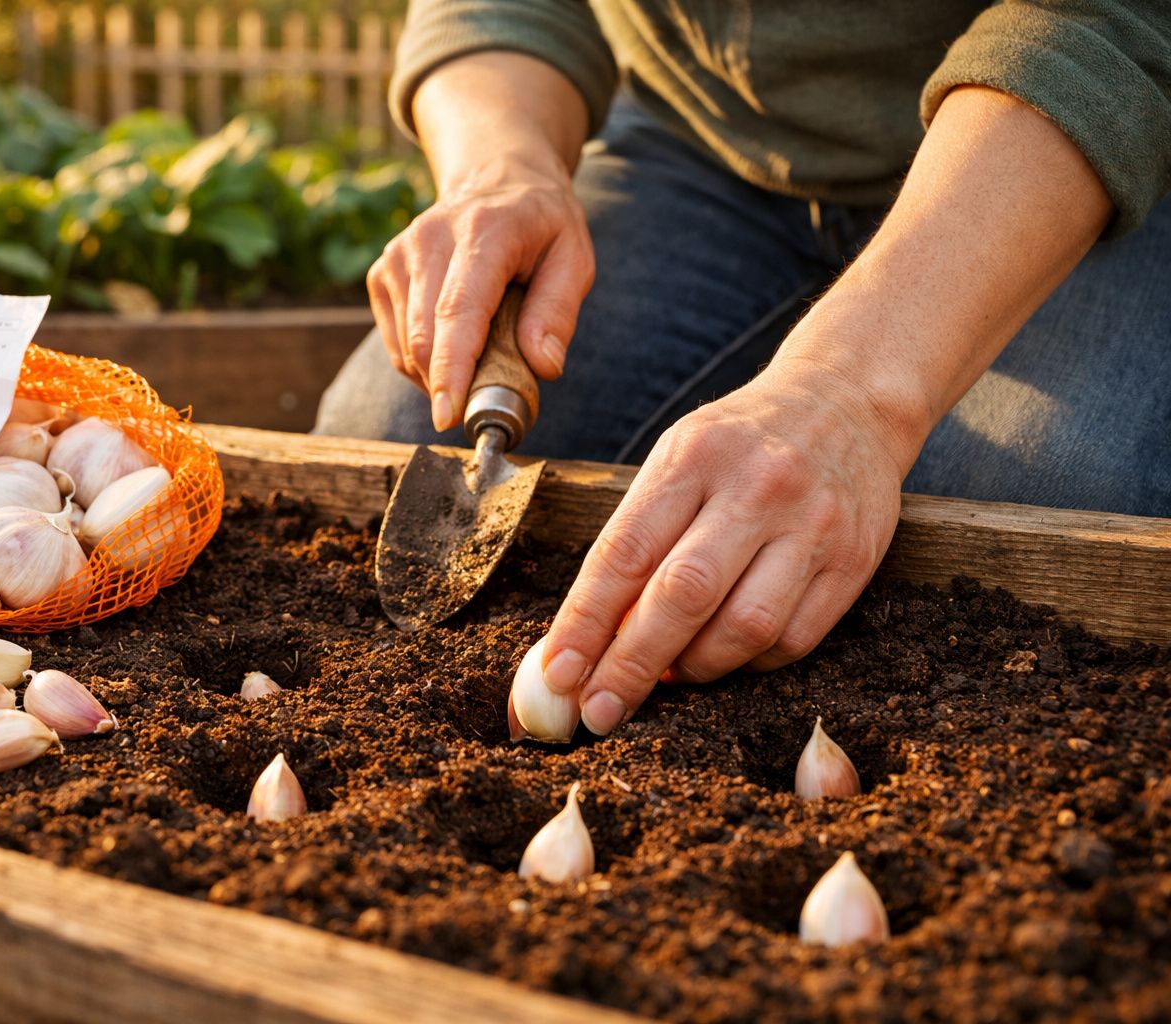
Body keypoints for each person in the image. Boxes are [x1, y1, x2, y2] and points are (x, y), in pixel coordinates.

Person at [313, 1, 1171, 736]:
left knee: (1024, 508)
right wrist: (503, 163)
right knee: (382, 431)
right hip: (703, 148)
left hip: (1070, 140)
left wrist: (850, 393)